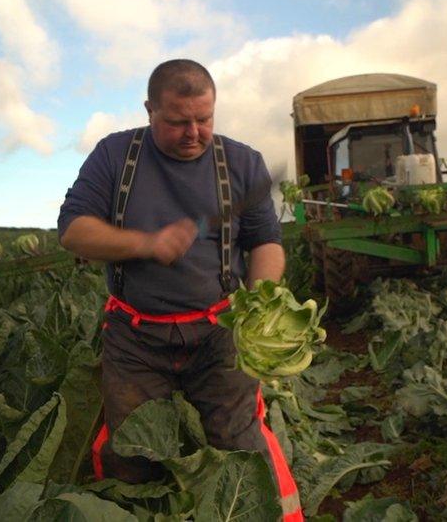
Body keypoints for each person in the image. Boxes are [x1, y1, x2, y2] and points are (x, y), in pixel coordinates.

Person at [57, 59, 301, 520]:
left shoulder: (242, 162)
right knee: (131, 453)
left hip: (218, 333)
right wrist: (144, 243)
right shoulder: (115, 156)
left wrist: (258, 305)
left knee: (239, 447)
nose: (194, 132)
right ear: (150, 110)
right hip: (135, 338)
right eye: (177, 122)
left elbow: (266, 242)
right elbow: (73, 230)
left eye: (204, 119)